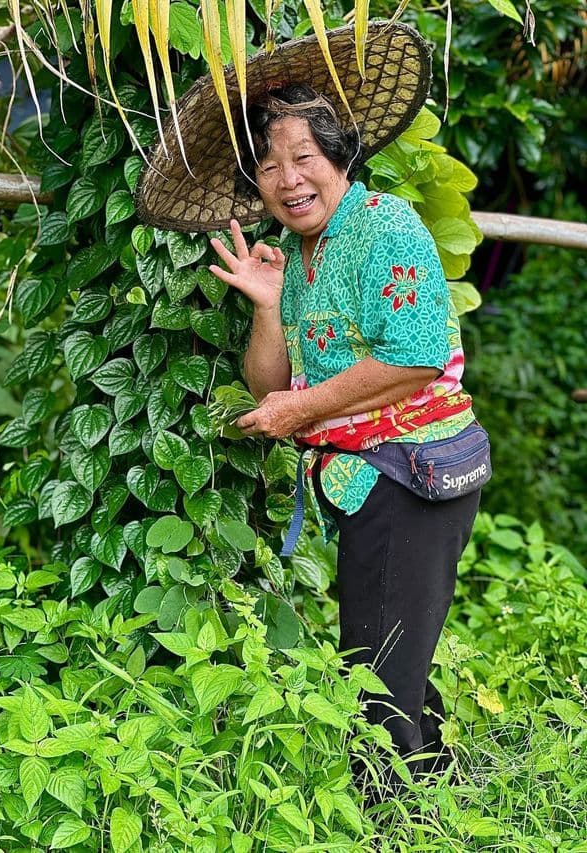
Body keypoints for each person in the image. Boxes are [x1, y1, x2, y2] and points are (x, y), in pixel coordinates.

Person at [135, 21, 489, 787]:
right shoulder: (297, 255)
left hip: (412, 475)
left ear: (340, 155)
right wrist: (267, 305)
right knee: (388, 657)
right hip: (363, 484)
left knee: (376, 677)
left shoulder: (384, 225)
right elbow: (270, 384)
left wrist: (301, 413)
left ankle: (391, 816)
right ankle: (440, 799)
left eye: (303, 156)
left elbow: (416, 351)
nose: (288, 179)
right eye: (267, 167)